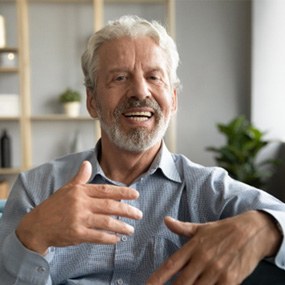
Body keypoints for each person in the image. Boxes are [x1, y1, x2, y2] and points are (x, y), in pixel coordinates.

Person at [0, 15, 285, 285]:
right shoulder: (36, 189)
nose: (140, 91)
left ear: (173, 100)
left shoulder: (210, 190)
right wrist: (32, 236)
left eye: (153, 77)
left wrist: (264, 227)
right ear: (91, 101)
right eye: (120, 78)